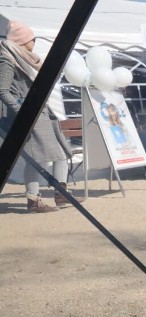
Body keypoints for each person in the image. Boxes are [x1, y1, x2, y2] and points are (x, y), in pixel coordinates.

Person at [0, 20, 77, 213]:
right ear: (22, 40)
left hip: (41, 112)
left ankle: (61, 193)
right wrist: (20, 109)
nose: (33, 42)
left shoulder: (24, 57)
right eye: (31, 38)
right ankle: (34, 200)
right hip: (27, 115)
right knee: (36, 158)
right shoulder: (7, 59)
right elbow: (2, 90)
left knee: (60, 152)